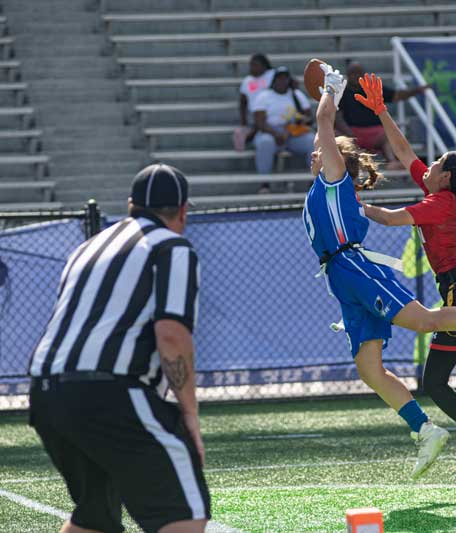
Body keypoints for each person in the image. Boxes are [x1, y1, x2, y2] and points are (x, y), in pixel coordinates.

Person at [303, 63, 456, 480]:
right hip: (435, 284)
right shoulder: (435, 189)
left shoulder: (435, 200)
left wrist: (332, 87)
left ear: (446, 175)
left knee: (430, 348)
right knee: (378, 369)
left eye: (434, 164)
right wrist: (381, 112)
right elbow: (406, 153)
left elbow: (393, 217)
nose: (424, 166)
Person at [28, 164, 211, 533]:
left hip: (46, 393)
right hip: (108, 392)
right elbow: (172, 334)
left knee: (95, 515)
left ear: (131, 205)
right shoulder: (172, 247)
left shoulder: (87, 248)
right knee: (183, 512)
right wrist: (189, 414)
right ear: (183, 210)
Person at [335, 61, 427, 169]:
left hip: (377, 134)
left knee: (389, 135)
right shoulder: (341, 92)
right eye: (352, 73)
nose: (355, 76)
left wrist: (418, 90)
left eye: (358, 73)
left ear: (364, 74)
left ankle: (393, 162)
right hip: (351, 133)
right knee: (336, 136)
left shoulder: (372, 88)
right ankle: (345, 165)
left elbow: (396, 95)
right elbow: (337, 116)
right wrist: (349, 133)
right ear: (347, 75)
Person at [250, 66, 315, 192]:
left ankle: (314, 182)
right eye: (279, 78)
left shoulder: (296, 95)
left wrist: (299, 121)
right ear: (274, 80)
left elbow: (309, 117)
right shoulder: (264, 96)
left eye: (285, 78)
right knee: (265, 142)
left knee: (312, 141)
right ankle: (265, 184)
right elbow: (259, 122)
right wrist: (276, 134)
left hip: (292, 133)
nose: (282, 81)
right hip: (269, 132)